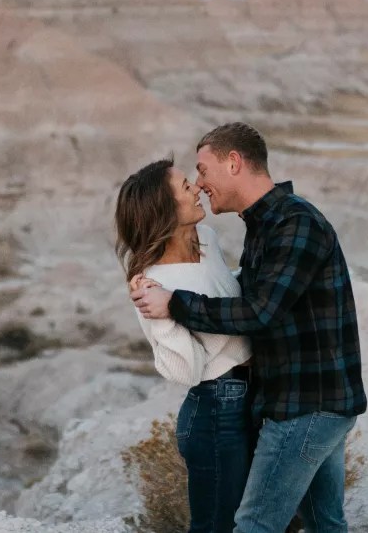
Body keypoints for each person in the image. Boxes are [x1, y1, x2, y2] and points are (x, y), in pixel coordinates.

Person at [132, 123, 367, 533]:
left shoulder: (295, 224)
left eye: (203, 171)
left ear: (234, 162)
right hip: (305, 400)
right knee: (324, 521)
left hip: (306, 405)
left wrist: (174, 304)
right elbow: (255, 297)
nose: (201, 184)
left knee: (256, 524)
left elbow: (260, 312)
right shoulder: (263, 226)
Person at [115, 157, 254, 533]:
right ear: (163, 209)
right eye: (184, 187)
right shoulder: (153, 282)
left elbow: (227, 296)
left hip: (253, 397)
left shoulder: (205, 239)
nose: (196, 187)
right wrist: (162, 323)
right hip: (215, 411)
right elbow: (186, 370)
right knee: (215, 526)